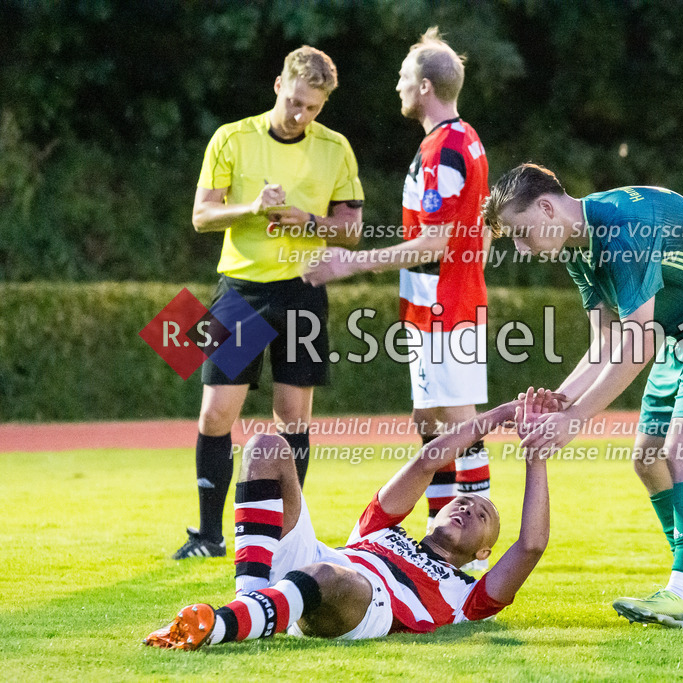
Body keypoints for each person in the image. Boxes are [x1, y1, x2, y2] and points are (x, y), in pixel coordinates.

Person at [482, 164, 683, 629]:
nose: (522, 249)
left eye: (521, 234)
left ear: (545, 208)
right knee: (647, 459)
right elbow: (605, 345)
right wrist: (557, 402)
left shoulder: (621, 227)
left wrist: (574, 419)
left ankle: (682, 593)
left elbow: (636, 343)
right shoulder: (577, 249)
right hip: (679, 333)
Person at [143, 388, 554, 649]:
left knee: (331, 575)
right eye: (462, 502)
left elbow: (531, 545)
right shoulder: (382, 528)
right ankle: (250, 597)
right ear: (435, 515)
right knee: (266, 445)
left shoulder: (469, 596)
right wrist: (501, 414)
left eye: (482, 514)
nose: (467, 507)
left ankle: (218, 627)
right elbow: (428, 461)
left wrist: (536, 455)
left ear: (483, 550)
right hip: (314, 565)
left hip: (360, 602)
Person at [302, 27, 491, 562]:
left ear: (427, 86)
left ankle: (474, 551)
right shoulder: (460, 140)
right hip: (437, 302)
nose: (398, 86)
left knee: (460, 426)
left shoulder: (446, 148)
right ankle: (441, 540)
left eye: (405, 78)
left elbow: (433, 241)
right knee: (431, 424)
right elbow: (479, 224)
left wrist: (350, 263)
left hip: (444, 305)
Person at [175, 46, 364, 559]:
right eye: (297, 101)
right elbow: (201, 216)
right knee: (216, 413)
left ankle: (287, 535)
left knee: (293, 419)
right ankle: (209, 537)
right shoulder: (232, 138)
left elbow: (352, 230)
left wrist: (311, 223)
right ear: (278, 85)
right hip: (238, 288)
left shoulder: (335, 148)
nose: (302, 114)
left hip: (302, 291)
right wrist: (253, 208)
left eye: (314, 108)